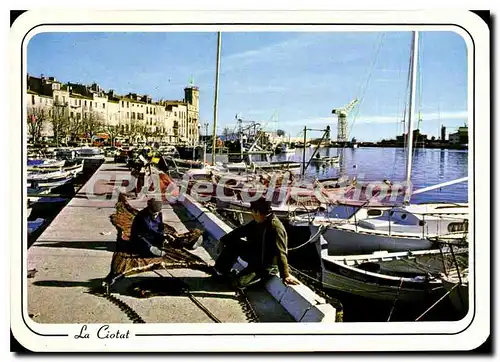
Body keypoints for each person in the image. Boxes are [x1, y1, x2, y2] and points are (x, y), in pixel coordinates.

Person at [212, 197, 300, 289]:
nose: (252, 215)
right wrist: (223, 240)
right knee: (235, 244)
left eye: (252, 212)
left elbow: (281, 252)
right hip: (256, 255)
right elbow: (242, 230)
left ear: (257, 212)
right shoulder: (259, 221)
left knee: (238, 283)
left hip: (266, 265)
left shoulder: (276, 228)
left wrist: (285, 275)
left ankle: (243, 279)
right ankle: (219, 271)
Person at [129, 198, 203, 257]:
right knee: (143, 242)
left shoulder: (159, 214)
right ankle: (150, 248)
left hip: (154, 235)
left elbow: (160, 226)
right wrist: (163, 235)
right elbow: (150, 229)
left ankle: (187, 243)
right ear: (149, 209)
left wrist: (167, 235)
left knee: (169, 239)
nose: (155, 215)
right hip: (142, 235)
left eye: (157, 213)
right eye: (153, 213)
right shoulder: (142, 216)